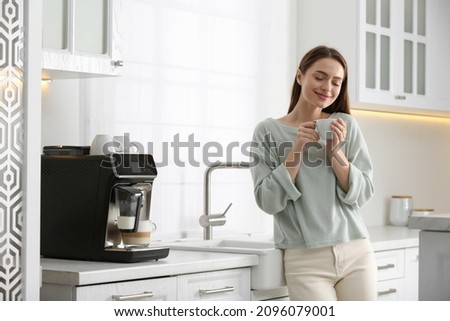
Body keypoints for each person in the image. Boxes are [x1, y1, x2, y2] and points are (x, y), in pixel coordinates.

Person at [250, 45, 376, 301]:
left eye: (336, 82)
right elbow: (267, 200)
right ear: (300, 77)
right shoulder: (267, 131)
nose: (327, 87)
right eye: (319, 77)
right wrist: (297, 149)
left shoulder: (345, 125)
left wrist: (335, 151)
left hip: (356, 250)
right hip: (305, 259)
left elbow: (363, 193)